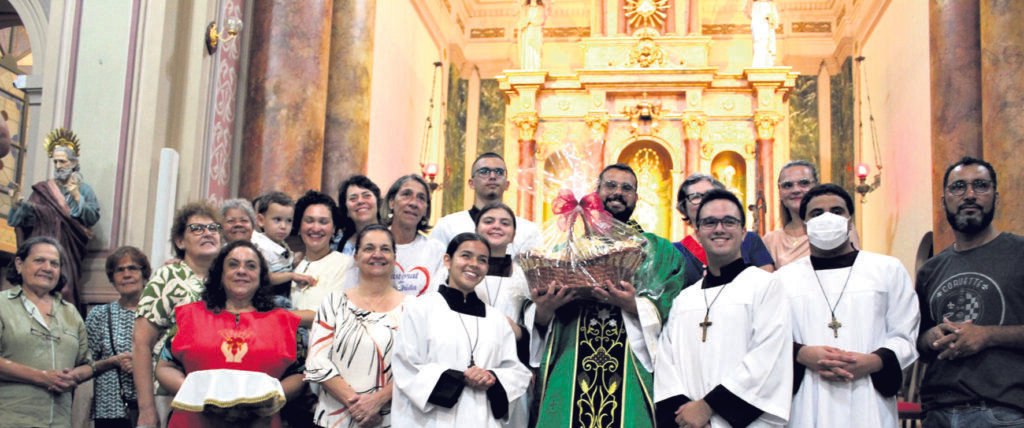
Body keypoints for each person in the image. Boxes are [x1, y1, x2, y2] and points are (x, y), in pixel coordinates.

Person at [530, 163, 687, 428]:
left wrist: (634, 305)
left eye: (627, 188)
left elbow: (672, 303)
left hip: (630, 367)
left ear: (637, 198)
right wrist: (544, 309)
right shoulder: (564, 250)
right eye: (610, 185)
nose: (618, 192)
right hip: (570, 362)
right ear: (596, 192)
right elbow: (533, 308)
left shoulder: (658, 250)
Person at [775, 184, 919, 427]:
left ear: (850, 221)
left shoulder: (887, 270)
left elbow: (906, 334)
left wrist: (875, 361)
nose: (827, 218)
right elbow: (770, 339)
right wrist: (801, 353)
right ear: (805, 225)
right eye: (817, 213)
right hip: (808, 400)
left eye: (837, 211)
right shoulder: (783, 280)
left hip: (869, 398)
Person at [654, 189, 792, 428]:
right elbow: (666, 364)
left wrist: (708, 407)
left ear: (743, 231)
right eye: (709, 222)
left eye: (729, 221)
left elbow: (768, 358)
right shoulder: (684, 299)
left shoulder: (766, 286)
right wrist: (687, 417)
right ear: (696, 231)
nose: (719, 229)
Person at [916, 157, 1024, 427]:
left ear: (996, 197)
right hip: (938, 410)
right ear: (944, 201)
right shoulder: (931, 269)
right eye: (958, 187)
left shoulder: (1019, 253)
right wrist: (932, 337)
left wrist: (987, 335)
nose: (970, 195)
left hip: (1003, 411)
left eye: (980, 186)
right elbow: (917, 341)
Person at [154, 240, 304, 427]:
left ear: (261, 276)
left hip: (260, 422)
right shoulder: (188, 316)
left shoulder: (285, 322)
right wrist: (196, 393)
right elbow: (165, 366)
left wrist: (271, 397)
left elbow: (300, 374)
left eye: (251, 266)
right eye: (233, 264)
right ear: (220, 274)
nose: (241, 270)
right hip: (194, 420)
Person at [392, 232, 532, 426]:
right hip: (433, 420)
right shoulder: (420, 309)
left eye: (482, 260)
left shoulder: (497, 319)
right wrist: (460, 379)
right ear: (448, 261)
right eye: (466, 256)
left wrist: (491, 377)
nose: (474, 264)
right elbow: (406, 366)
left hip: (484, 419)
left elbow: (516, 372)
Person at [306, 225, 411, 427]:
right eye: (369, 248)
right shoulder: (333, 302)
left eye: (385, 249)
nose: (377, 254)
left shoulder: (413, 308)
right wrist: (359, 405)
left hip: (390, 419)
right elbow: (316, 361)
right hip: (335, 418)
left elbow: (415, 368)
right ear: (356, 256)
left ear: (395, 257)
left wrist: (377, 401)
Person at [133, 202, 222, 428]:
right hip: (170, 392)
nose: (207, 233)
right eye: (197, 229)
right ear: (180, 242)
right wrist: (146, 408)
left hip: (217, 393)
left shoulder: (227, 279)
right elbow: (141, 343)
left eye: (213, 228)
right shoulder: (169, 275)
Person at [0, 236, 95, 427]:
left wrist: (72, 377)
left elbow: (87, 364)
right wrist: (41, 376)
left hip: (60, 422)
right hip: (10, 419)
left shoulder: (70, 312)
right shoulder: (2, 304)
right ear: (19, 264)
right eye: (39, 260)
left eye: (54, 264)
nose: (47, 268)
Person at [9, 140, 101, 307]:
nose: (58, 166)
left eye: (63, 161)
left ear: (73, 163)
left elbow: (92, 216)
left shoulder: (84, 189)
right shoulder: (44, 190)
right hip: (43, 245)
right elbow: (28, 220)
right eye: (56, 161)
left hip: (68, 251)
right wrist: (18, 207)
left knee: (65, 289)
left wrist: (77, 197)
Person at [474, 202, 532, 426]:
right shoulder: (456, 272)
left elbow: (537, 328)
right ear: (477, 229)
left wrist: (517, 330)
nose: (496, 226)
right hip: (467, 368)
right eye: (488, 221)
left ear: (513, 235)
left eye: (505, 223)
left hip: (510, 375)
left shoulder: (525, 277)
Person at [85, 246, 151, 428]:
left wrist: (143, 364)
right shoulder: (99, 315)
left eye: (132, 268)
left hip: (149, 406)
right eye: (119, 270)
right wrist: (112, 362)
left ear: (144, 275)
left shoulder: (156, 314)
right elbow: (84, 366)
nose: (126, 274)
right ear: (112, 278)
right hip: (109, 411)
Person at [431, 153, 541, 256]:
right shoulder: (447, 226)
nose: (492, 176)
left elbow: (533, 274)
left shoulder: (528, 231)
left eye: (499, 172)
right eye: (484, 171)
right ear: (471, 183)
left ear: (507, 184)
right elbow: (435, 269)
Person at [675, 173, 775, 286]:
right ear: (683, 206)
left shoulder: (749, 239)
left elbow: (767, 286)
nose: (704, 201)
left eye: (710, 195)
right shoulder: (675, 252)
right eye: (696, 197)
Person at [763, 161, 860, 268]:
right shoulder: (771, 240)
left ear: (816, 186)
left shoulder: (838, 227)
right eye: (788, 185)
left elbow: (853, 269)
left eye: (804, 183)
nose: (796, 190)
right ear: (780, 192)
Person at [290, 190, 355, 319]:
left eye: (323, 222)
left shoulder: (346, 264)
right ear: (299, 227)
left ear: (334, 229)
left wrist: (276, 317)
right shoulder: (293, 266)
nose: (315, 228)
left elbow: (331, 314)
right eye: (309, 220)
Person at [382, 175, 447, 296]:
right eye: (406, 194)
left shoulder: (436, 251)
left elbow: (436, 300)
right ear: (391, 202)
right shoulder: (371, 246)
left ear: (425, 210)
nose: (413, 203)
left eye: (421, 198)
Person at [251, 191, 313, 301]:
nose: (283, 226)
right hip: (266, 300)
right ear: (261, 220)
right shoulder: (258, 246)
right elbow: (263, 277)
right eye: (277, 220)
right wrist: (291, 276)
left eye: (289, 220)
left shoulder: (282, 244)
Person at [334, 174, 382, 255]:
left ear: (377, 202)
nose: (360, 201)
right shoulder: (336, 246)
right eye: (353, 198)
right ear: (346, 210)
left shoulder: (393, 240)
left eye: (366, 196)